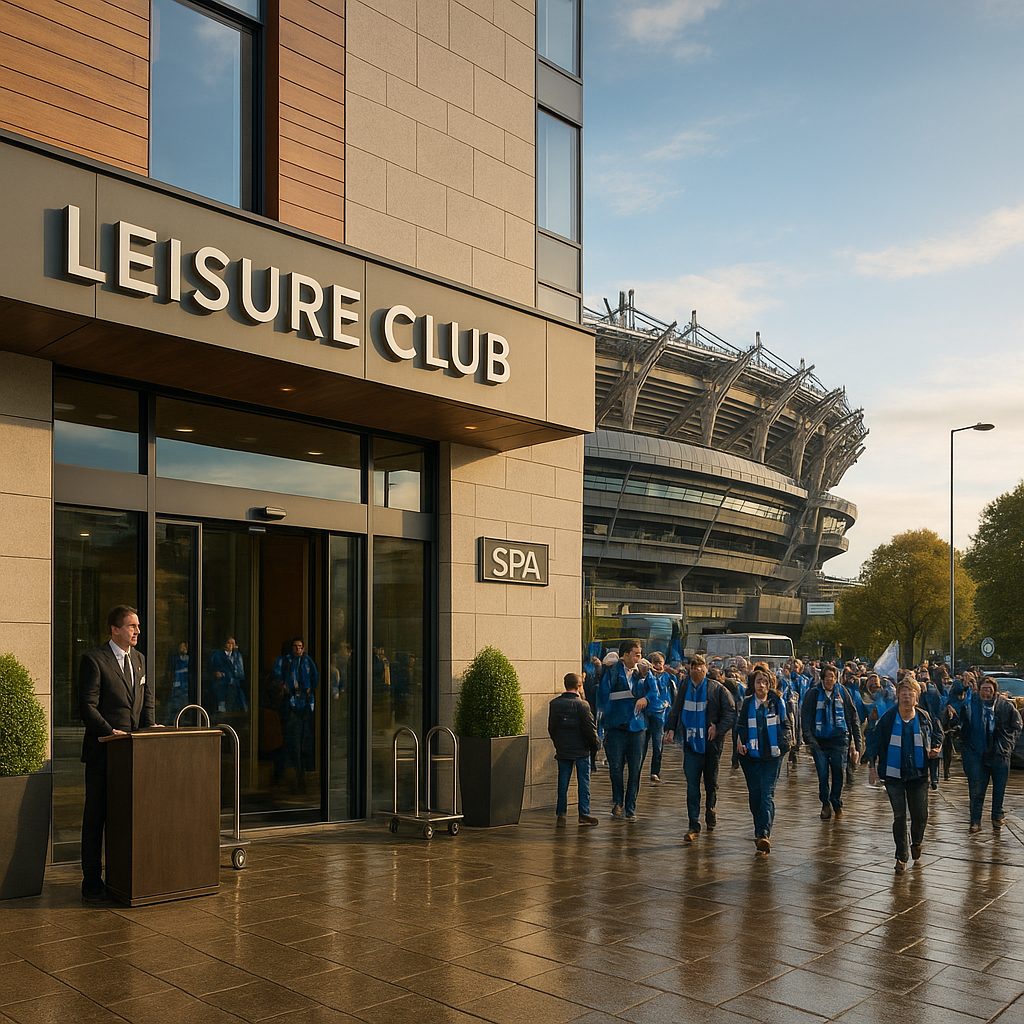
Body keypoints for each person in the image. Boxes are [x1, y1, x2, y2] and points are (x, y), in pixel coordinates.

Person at [78, 604, 158, 903]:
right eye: (131, 626)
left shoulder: (139, 660)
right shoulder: (94, 661)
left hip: (132, 755)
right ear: (115, 629)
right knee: (95, 817)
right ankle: (91, 881)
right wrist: (109, 731)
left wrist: (150, 726)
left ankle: (123, 877)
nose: (137, 631)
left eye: (137, 626)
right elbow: (87, 705)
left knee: (126, 817)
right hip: (103, 752)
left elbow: (145, 701)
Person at [873, 677, 943, 874]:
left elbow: (938, 734)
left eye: (910, 693)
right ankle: (901, 856)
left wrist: (936, 747)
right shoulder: (888, 718)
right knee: (900, 816)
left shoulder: (924, 718)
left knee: (920, 815)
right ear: (897, 696)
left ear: (916, 697)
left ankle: (917, 841)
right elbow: (875, 741)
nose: (906, 696)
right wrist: (871, 766)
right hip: (894, 775)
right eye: (903, 692)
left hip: (919, 774)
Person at [665, 653, 735, 842]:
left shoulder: (717, 689)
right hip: (690, 745)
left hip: (711, 746)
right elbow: (676, 708)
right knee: (692, 785)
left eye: (700, 665)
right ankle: (693, 823)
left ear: (706, 668)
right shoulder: (685, 686)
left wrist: (718, 730)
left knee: (711, 783)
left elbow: (730, 713)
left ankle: (711, 808)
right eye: (693, 665)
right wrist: (670, 728)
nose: (696, 669)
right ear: (688, 668)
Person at [948, 675, 1022, 833]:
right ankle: (975, 821)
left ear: (995, 691)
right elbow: (955, 700)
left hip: (1000, 755)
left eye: (989, 689)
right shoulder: (971, 703)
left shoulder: (1004, 705)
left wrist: (1007, 744)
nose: (986, 692)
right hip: (976, 753)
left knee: (999, 790)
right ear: (979, 690)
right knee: (976, 790)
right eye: (984, 689)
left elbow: (1017, 725)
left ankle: (997, 816)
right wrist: (962, 686)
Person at [735, 666, 791, 854]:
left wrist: (785, 744)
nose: (761, 685)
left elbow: (786, 724)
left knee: (767, 794)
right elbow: (740, 725)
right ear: (753, 684)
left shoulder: (777, 702)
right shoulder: (748, 703)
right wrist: (740, 741)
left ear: (769, 684)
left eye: (764, 682)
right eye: (758, 681)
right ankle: (759, 828)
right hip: (750, 756)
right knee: (755, 794)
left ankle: (763, 833)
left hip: (772, 755)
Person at [598, 639, 651, 822]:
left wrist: (647, 695)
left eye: (640, 654)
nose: (639, 657)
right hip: (616, 728)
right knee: (616, 768)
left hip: (637, 729)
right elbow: (602, 699)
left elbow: (655, 693)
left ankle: (630, 807)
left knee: (635, 770)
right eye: (636, 654)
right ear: (625, 655)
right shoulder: (611, 673)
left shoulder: (643, 674)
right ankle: (618, 800)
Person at [801, 664, 861, 821]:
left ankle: (836, 801)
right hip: (819, 741)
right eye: (827, 676)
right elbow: (806, 717)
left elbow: (853, 717)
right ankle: (825, 802)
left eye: (833, 677)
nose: (830, 679)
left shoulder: (843, 692)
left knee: (838, 772)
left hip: (839, 739)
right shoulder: (813, 693)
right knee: (822, 774)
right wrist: (809, 738)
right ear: (822, 678)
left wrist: (857, 743)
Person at [548, 672, 600, 827]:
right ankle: (584, 813)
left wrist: (558, 744)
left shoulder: (554, 704)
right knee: (584, 782)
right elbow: (590, 729)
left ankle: (561, 814)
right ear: (579, 686)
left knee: (563, 782)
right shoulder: (582, 704)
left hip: (563, 750)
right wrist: (596, 745)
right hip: (581, 750)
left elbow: (552, 728)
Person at [272, 637, 320, 792]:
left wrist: (310, 689)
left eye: (300, 647)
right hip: (289, 705)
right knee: (291, 741)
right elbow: (276, 677)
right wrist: (283, 687)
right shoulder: (284, 661)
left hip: (305, 706)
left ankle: (299, 775)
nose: (297, 649)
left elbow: (315, 678)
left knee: (303, 742)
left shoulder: (307, 661)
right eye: (295, 646)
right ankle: (291, 775)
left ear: (303, 648)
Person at [642, 653, 674, 783]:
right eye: (655, 662)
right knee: (642, 745)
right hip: (645, 713)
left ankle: (655, 771)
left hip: (661, 715)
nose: (658, 665)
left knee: (657, 745)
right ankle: (637, 768)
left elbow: (674, 697)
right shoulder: (645, 677)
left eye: (660, 662)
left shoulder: (669, 678)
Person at [209, 636, 246, 713]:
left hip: (234, 684)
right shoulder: (218, 655)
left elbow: (240, 672)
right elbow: (212, 668)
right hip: (221, 683)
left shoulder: (237, 656)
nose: (230, 645)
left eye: (233, 643)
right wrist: (217, 673)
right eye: (229, 643)